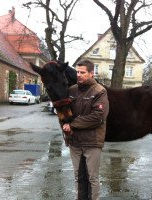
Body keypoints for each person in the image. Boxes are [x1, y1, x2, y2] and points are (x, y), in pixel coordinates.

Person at [62, 59, 109, 200]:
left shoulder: (100, 91)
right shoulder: (72, 90)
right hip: (75, 142)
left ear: (91, 73)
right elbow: (65, 111)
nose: (79, 75)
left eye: (82, 72)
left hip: (92, 143)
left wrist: (73, 124)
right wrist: (64, 122)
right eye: (77, 72)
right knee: (78, 177)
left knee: (92, 178)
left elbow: (98, 117)